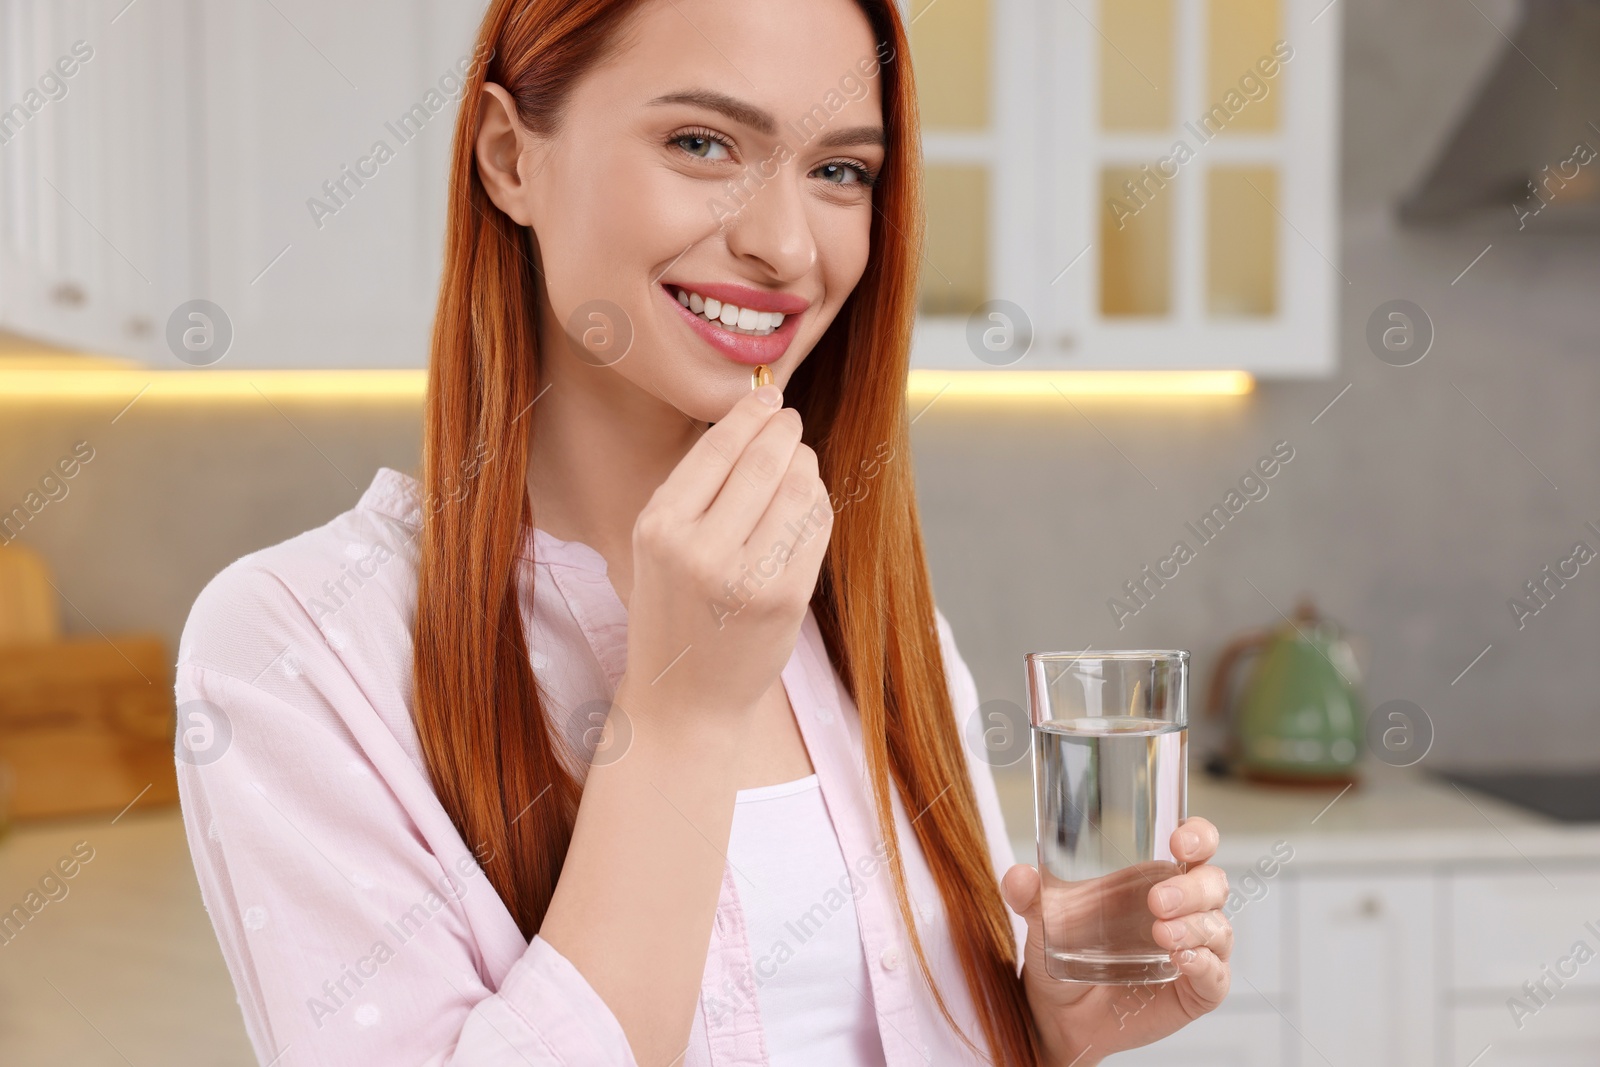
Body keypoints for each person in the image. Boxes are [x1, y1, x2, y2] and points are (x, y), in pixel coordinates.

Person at [173, 0, 1232, 1063]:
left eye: (840, 171)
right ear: (509, 158)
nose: (783, 243)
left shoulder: (868, 618)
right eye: (700, 142)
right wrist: (677, 713)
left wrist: (1042, 1028)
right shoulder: (295, 646)